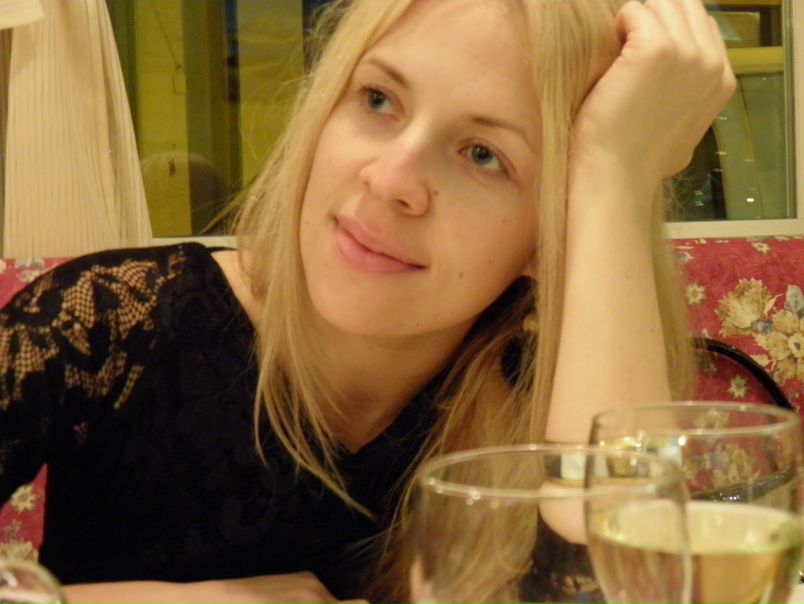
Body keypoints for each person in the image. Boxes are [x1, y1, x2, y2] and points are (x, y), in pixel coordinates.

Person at [0, 0, 734, 602]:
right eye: (378, 99)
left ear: (551, 232)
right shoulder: (110, 320)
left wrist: (613, 172)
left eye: (483, 155)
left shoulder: (544, 387)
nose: (390, 180)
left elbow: (632, 584)